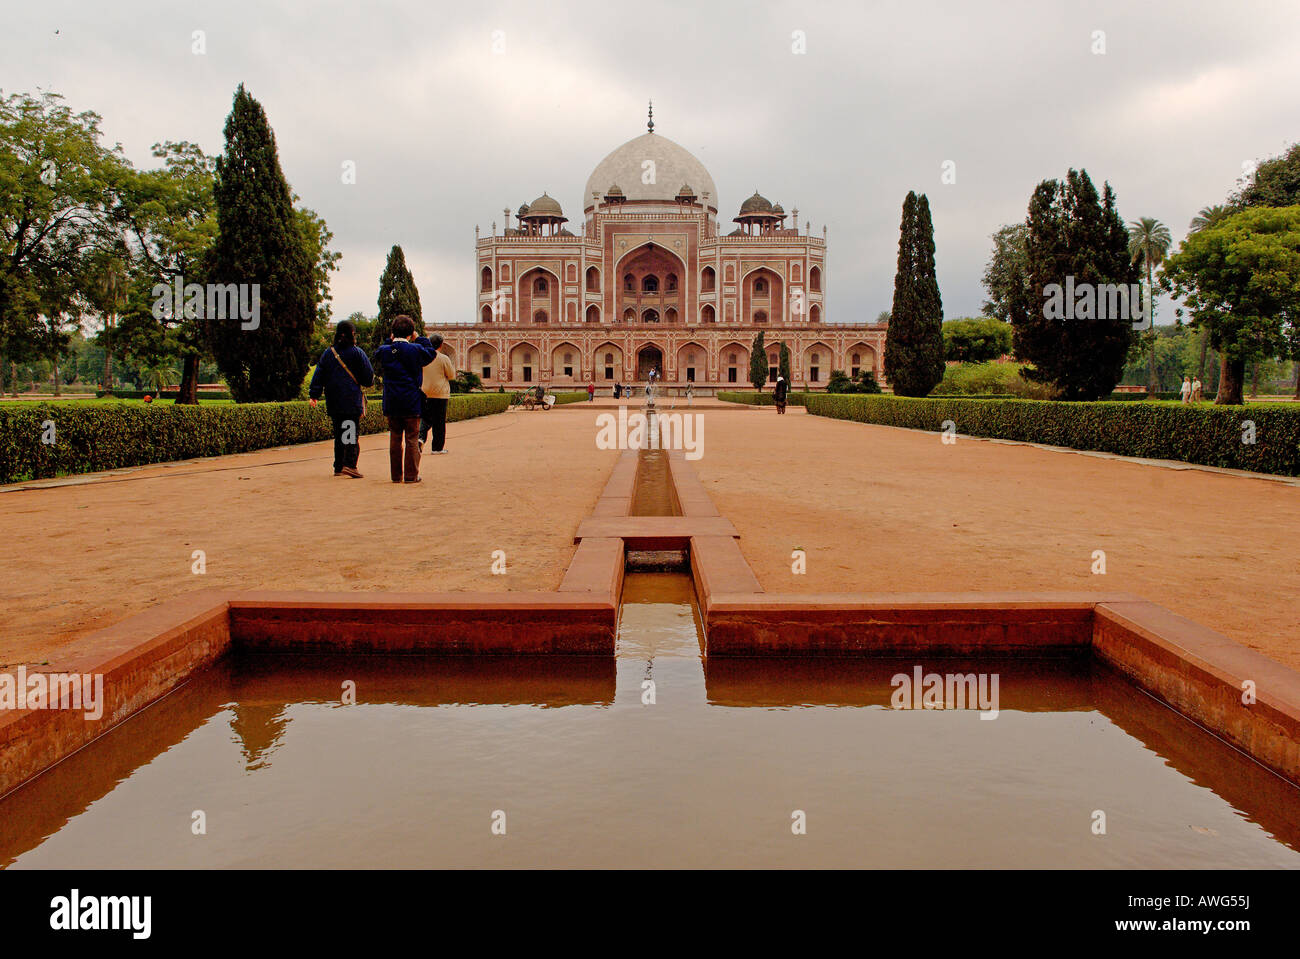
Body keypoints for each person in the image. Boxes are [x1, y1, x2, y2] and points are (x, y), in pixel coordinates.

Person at [372, 315, 437, 483]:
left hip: (392, 400)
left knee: (395, 437)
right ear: (411, 333)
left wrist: (389, 340)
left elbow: (377, 353)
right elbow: (431, 353)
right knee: (411, 438)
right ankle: (411, 475)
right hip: (411, 400)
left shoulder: (385, 351)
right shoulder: (415, 350)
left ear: (393, 332)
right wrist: (420, 338)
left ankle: (396, 475)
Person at [309, 318, 374, 478]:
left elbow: (319, 375)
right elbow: (368, 377)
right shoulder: (357, 353)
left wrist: (314, 395)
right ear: (353, 334)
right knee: (350, 431)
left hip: (334, 399)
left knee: (339, 433)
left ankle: (338, 466)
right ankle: (350, 464)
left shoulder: (328, 353)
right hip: (351, 399)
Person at [418, 333, 457, 455]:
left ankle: (421, 438)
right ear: (441, 345)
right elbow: (451, 376)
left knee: (426, 419)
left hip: (424, 392)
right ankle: (437, 448)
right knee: (439, 422)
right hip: (440, 393)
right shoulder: (443, 358)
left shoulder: (422, 357)